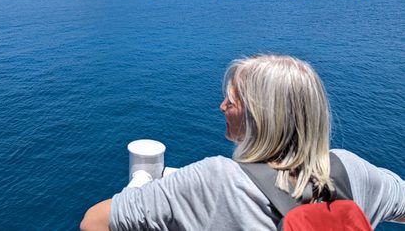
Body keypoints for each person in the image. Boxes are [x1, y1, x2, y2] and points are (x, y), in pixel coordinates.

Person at [80, 55, 405, 230]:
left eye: (231, 101)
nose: (221, 107)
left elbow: (94, 221)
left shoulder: (218, 179)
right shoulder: (353, 170)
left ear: (259, 116)